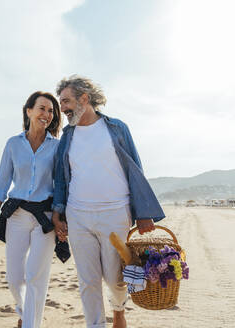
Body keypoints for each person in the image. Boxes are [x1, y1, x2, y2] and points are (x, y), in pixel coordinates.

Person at [51, 75, 165, 328]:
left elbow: (135, 169)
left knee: (115, 278)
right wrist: (58, 212)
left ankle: (118, 309)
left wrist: (143, 212)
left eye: (67, 101)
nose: (63, 109)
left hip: (115, 213)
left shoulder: (116, 128)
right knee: (88, 280)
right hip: (78, 215)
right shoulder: (67, 137)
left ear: (85, 98)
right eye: (61, 103)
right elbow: (61, 177)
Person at [0, 91, 62, 328]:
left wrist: (61, 217)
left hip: (45, 218)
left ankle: (30, 324)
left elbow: (61, 185)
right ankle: (23, 312)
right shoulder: (13, 144)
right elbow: (2, 183)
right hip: (17, 216)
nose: (47, 114)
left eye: (51, 111)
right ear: (28, 111)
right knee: (14, 278)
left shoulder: (57, 147)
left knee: (36, 277)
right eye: (42, 108)